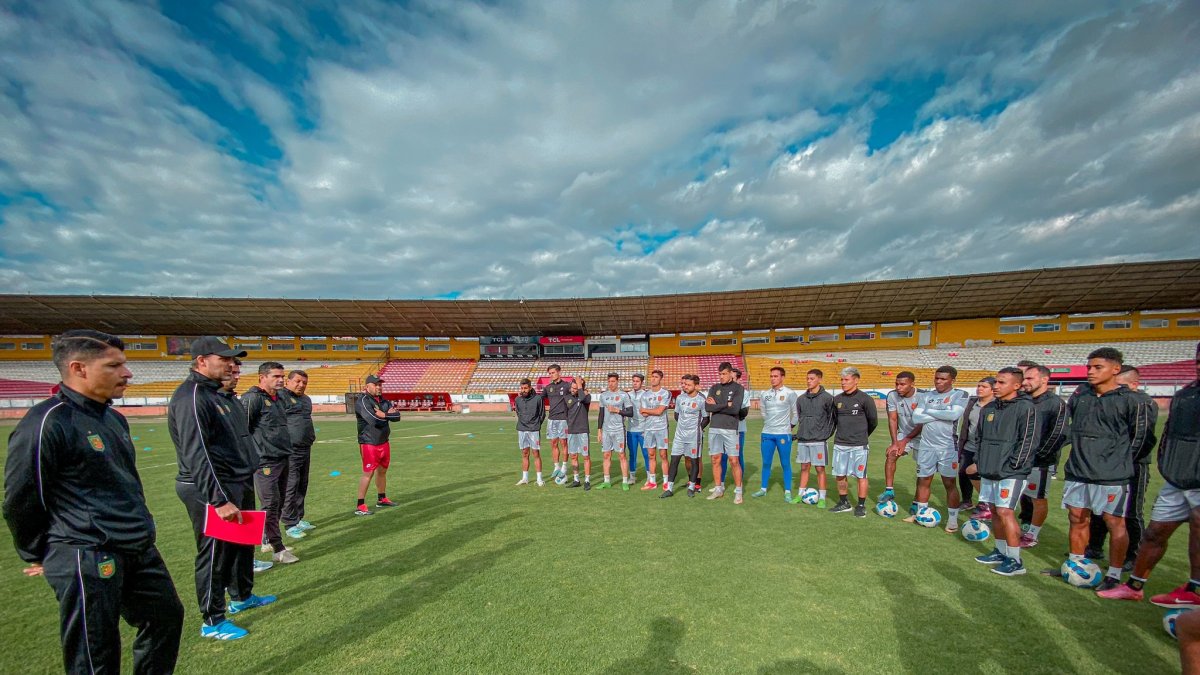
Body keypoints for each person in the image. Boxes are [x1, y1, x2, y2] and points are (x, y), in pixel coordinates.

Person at [4, 330, 184, 667]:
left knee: (165, 618)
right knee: (95, 651)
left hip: (136, 546)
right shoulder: (47, 422)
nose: (127, 373)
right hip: (86, 551)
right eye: (114, 365)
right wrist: (38, 551)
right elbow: (22, 496)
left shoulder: (112, 418)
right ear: (79, 368)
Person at [170, 335, 275, 641]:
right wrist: (218, 499)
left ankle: (241, 596)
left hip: (236, 481)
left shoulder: (220, 395)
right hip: (212, 488)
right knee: (215, 554)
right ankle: (212, 619)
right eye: (224, 359)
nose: (231, 365)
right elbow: (197, 452)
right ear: (202, 361)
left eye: (233, 360)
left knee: (241, 545)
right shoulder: (192, 397)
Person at [1099, 344, 1199, 603]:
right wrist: (1167, 465)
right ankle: (1134, 587)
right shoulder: (1187, 395)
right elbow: (1169, 435)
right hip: (1176, 480)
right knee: (1154, 533)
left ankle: (1193, 591)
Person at [1060, 348, 1154, 593]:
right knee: (1077, 518)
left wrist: (1119, 461)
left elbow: (1142, 439)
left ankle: (1113, 574)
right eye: (1089, 367)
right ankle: (1076, 564)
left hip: (1112, 475)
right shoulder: (1081, 395)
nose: (1090, 371)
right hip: (1078, 470)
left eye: (1097, 367)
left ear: (1115, 369)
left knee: (1115, 522)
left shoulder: (1131, 400)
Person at [970, 367, 1038, 577]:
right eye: (996, 382)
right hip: (989, 468)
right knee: (994, 510)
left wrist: (1013, 466)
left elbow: (1028, 441)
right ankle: (1000, 551)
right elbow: (979, 439)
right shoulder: (989, 409)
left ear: (1016, 385)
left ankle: (1015, 560)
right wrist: (981, 463)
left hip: (1011, 471)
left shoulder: (1026, 408)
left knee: (1005, 512)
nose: (996, 386)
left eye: (1001, 383)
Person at [1087, 365, 1158, 563]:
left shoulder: (1143, 403)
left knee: (1131, 511)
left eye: (1122, 386)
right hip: (1106, 464)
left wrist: (1124, 460)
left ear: (1134, 384)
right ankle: (1094, 547)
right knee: (1099, 509)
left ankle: (1133, 556)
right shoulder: (1111, 401)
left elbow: (1143, 438)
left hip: (1134, 464)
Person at [219, 359, 272, 573]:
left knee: (245, 521)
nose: (236, 376)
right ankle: (222, 579)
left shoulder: (231, 400)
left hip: (242, 471)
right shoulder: (201, 400)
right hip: (224, 476)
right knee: (224, 533)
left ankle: (245, 566)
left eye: (238, 372)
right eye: (231, 372)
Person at [243, 362, 298, 563]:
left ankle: (267, 538)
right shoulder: (253, 399)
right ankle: (278, 549)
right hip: (264, 460)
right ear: (262, 377)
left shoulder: (278, 398)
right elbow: (244, 430)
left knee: (280, 501)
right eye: (276, 376)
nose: (281, 380)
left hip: (282, 457)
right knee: (270, 503)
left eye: (282, 376)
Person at [907, 366, 968, 530]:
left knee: (949, 483)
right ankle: (921, 514)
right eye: (937, 378)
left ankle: (953, 520)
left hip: (947, 447)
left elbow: (954, 415)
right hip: (926, 446)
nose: (939, 382)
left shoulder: (959, 394)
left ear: (952, 380)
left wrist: (929, 411)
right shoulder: (927, 395)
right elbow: (916, 417)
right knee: (923, 480)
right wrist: (942, 411)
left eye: (943, 379)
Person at [1015, 365, 1068, 548]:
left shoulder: (1055, 403)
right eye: (1024, 378)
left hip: (1040, 462)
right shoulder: (1022, 400)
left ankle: (1032, 534)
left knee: (1037, 498)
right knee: (1018, 494)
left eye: (1030, 378)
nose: (1025, 382)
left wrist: (1037, 455)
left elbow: (1058, 434)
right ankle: (1019, 525)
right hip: (1018, 458)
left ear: (1044, 380)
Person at [830, 367, 878, 517]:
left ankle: (861, 505)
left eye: (846, 380)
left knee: (860, 475)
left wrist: (862, 436)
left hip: (859, 445)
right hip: (840, 444)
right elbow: (835, 420)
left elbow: (873, 422)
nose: (843, 383)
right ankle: (844, 502)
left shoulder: (865, 399)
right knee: (840, 475)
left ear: (856, 380)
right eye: (841, 380)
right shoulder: (837, 399)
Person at [355, 374, 402, 515]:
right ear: (367, 386)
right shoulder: (362, 401)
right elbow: (373, 419)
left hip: (383, 441)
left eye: (380, 384)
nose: (379, 387)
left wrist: (385, 415)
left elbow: (398, 417)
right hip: (369, 442)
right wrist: (385, 415)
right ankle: (360, 505)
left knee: (382, 471)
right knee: (368, 473)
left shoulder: (383, 401)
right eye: (376, 384)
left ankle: (382, 499)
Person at [279, 370, 316, 540]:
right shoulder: (281, 397)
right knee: (291, 485)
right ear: (288, 381)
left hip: (305, 447)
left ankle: (298, 517)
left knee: (302, 484)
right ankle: (289, 523)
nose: (301, 385)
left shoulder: (306, 399)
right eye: (298, 381)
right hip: (290, 449)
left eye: (304, 383)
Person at [792, 368, 836, 508]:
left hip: (819, 440)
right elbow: (800, 417)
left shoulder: (828, 398)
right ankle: (800, 494)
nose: (809, 381)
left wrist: (824, 435)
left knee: (819, 469)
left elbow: (833, 420)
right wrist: (800, 433)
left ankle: (822, 497)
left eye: (812, 379)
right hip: (803, 440)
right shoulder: (801, 399)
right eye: (807, 378)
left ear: (819, 379)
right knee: (804, 467)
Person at [706, 362, 750, 503]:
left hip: (730, 428)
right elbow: (708, 407)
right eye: (720, 374)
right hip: (714, 428)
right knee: (715, 459)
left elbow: (735, 409)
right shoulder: (714, 388)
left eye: (724, 373)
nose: (721, 376)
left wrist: (717, 406)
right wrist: (726, 405)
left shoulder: (738, 389)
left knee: (734, 460)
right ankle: (718, 489)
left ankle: (738, 491)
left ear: (731, 373)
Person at [753, 367, 799, 501]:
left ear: (782, 377)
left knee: (785, 463)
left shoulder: (790, 393)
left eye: (776, 376)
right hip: (767, 433)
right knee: (766, 462)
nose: (773, 378)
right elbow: (763, 412)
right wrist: (769, 423)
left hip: (783, 434)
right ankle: (763, 489)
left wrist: (789, 427)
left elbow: (796, 414)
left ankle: (788, 491)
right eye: (771, 376)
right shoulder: (765, 394)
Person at [662, 375, 709, 498]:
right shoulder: (679, 398)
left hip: (694, 437)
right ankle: (669, 489)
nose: (685, 387)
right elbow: (677, 415)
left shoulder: (701, 400)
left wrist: (697, 429)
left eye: (688, 385)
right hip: (679, 436)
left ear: (696, 386)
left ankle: (692, 487)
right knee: (674, 461)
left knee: (694, 461)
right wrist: (683, 427)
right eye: (685, 384)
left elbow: (706, 418)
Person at [879, 372, 921, 507]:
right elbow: (892, 418)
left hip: (923, 436)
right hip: (904, 433)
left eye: (902, 384)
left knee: (923, 470)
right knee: (891, 454)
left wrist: (905, 441)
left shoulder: (923, 396)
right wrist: (895, 443)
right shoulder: (892, 395)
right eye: (896, 384)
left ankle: (917, 501)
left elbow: (922, 423)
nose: (898, 387)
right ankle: (889, 491)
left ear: (912, 383)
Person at [958, 377, 996, 515]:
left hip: (986, 448)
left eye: (984, 386)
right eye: (978, 385)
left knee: (980, 474)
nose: (979, 388)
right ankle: (967, 500)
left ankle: (985, 502)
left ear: (992, 389)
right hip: (969, 445)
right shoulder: (972, 403)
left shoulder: (996, 405)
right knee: (962, 472)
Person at [596, 373, 635, 490]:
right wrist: (599, 430)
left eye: (613, 381)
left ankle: (624, 481)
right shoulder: (603, 396)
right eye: (609, 381)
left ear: (617, 381)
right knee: (606, 455)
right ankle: (606, 481)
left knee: (621, 455)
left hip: (619, 430)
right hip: (606, 431)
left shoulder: (624, 395)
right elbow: (601, 414)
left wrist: (617, 410)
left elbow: (630, 412)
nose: (611, 383)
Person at [638, 370, 673, 490]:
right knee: (651, 454)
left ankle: (666, 481)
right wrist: (652, 411)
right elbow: (642, 413)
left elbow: (659, 411)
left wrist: (648, 411)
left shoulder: (665, 393)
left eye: (656, 377)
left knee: (663, 455)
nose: (653, 379)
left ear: (660, 379)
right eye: (651, 377)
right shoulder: (645, 395)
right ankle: (652, 482)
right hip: (648, 428)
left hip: (661, 428)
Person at [513, 378, 546, 486]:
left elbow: (542, 414)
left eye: (525, 388)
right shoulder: (517, 399)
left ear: (530, 388)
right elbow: (518, 412)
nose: (523, 390)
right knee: (524, 453)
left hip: (534, 430)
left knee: (536, 453)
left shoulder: (538, 398)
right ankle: (525, 478)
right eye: (522, 388)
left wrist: (536, 424)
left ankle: (539, 479)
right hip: (522, 429)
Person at [542, 365, 571, 484]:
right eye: (549, 373)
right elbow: (539, 399)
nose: (551, 375)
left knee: (563, 442)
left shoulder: (567, 386)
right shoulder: (548, 387)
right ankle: (556, 467)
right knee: (553, 443)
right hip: (552, 419)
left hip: (563, 419)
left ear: (559, 372)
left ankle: (564, 466)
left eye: (553, 372)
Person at [563, 378, 593, 489]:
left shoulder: (586, 397)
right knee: (573, 456)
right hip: (572, 431)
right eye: (572, 387)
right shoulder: (567, 398)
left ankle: (587, 480)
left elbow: (583, 398)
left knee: (585, 456)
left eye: (576, 388)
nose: (573, 390)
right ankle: (576, 479)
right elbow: (566, 414)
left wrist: (580, 386)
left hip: (583, 430)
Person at [625, 373, 650, 481]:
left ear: (642, 382)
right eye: (633, 381)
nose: (635, 383)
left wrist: (647, 429)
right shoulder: (628, 395)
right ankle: (632, 477)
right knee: (632, 454)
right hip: (631, 429)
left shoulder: (646, 395)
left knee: (646, 454)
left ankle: (650, 476)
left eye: (637, 381)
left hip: (643, 430)